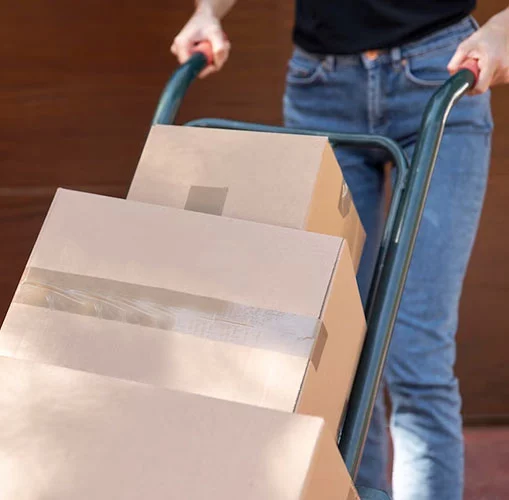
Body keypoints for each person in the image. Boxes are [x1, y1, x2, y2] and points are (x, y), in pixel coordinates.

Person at [171, 2, 509, 499]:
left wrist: (503, 29)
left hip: (444, 72)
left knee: (416, 352)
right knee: (340, 348)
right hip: (320, 87)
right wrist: (208, 11)